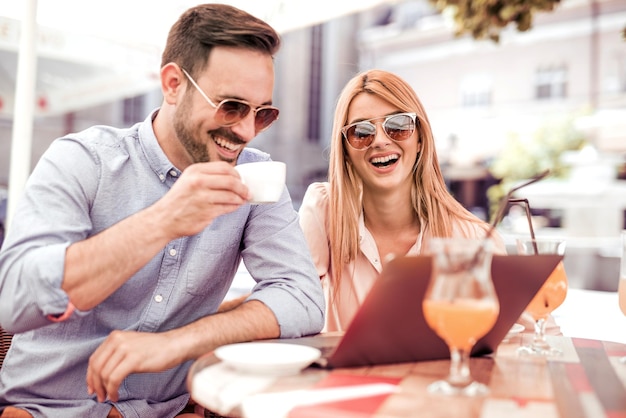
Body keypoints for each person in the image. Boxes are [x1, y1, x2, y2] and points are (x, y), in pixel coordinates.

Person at [0, 4, 324, 417]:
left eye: (263, 113)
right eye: (231, 106)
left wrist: (178, 342)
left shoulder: (255, 177)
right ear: (173, 84)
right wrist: (163, 220)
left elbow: (302, 298)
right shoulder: (84, 161)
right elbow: (14, 303)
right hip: (43, 411)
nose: (245, 130)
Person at [298, 69, 509, 332]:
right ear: (346, 151)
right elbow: (293, 303)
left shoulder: (475, 239)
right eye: (361, 132)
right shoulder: (324, 209)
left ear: (420, 138)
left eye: (398, 126)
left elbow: (522, 336)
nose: (380, 141)